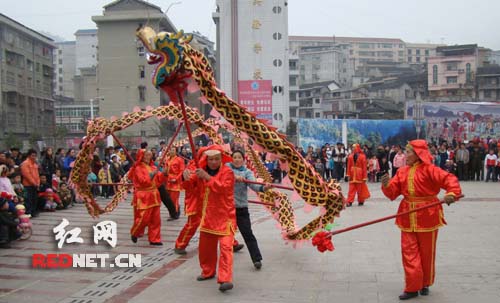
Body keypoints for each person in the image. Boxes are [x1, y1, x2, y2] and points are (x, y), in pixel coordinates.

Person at [380, 139, 462, 300]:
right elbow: (392, 194)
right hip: (407, 215)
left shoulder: (430, 169)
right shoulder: (402, 171)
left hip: (427, 214)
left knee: (426, 253)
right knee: (408, 252)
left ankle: (425, 282)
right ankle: (412, 287)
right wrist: (387, 185)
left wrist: (452, 194)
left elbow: (450, 180)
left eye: (409, 152)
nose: (406, 155)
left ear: (418, 154)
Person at [182, 145, 236, 292]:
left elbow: (222, 189)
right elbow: (188, 186)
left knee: (226, 248)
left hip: (225, 217)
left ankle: (225, 279)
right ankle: (207, 271)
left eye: (216, 159)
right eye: (210, 159)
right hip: (207, 217)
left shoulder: (228, 172)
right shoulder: (201, 171)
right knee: (206, 249)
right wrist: (184, 176)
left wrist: (207, 178)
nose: (213, 162)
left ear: (221, 159)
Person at [227, 150, 271, 269]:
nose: (237, 159)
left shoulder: (247, 172)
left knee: (248, 234)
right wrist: (234, 177)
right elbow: (223, 175)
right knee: (224, 235)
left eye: (239, 157)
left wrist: (264, 188)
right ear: (231, 159)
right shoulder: (226, 168)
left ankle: (257, 259)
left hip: (241, 208)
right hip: (226, 208)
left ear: (243, 160)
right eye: (234, 157)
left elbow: (254, 185)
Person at [128, 149, 167, 246]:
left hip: (154, 194)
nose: (147, 157)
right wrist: (151, 175)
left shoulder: (153, 166)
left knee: (156, 219)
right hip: (144, 195)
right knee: (143, 218)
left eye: (149, 155)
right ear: (141, 156)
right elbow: (142, 181)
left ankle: (155, 239)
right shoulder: (138, 168)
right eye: (146, 155)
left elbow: (158, 181)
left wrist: (164, 174)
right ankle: (135, 232)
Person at [164, 147, 185, 220]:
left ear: (176, 152)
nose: (171, 151)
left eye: (173, 150)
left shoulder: (179, 160)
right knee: (169, 199)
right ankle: (176, 210)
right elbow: (166, 171)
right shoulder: (167, 160)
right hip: (168, 181)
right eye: (170, 150)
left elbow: (181, 171)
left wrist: (176, 179)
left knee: (173, 199)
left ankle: (174, 214)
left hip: (175, 181)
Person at [20, 149, 40, 217]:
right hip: (27, 185)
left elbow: (37, 175)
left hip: (35, 185)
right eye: (32, 155)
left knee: (34, 199)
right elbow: (27, 175)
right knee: (28, 199)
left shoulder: (35, 164)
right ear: (29, 155)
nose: (34, 157)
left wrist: (38, 183)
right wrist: (34, 183)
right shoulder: (25, 163)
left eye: (35, 155)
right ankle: (28, 212)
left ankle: (33, 212)